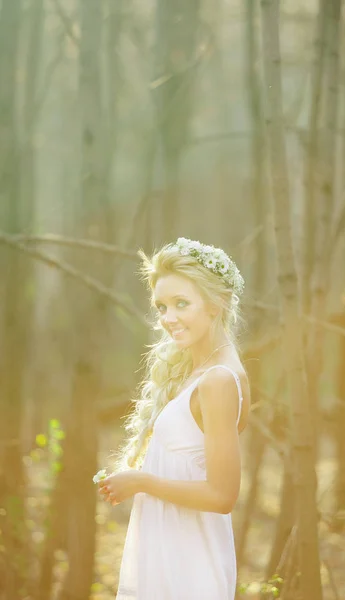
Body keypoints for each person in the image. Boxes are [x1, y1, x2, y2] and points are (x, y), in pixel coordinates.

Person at [97, 237, 250, 600]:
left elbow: (222, 495)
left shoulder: (218, 380)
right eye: (162, 306)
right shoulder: (202, 373)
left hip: (190, 564)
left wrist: (141, 481)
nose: (168, 318)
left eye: (181, 304)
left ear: (217, 304)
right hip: (170, 549)